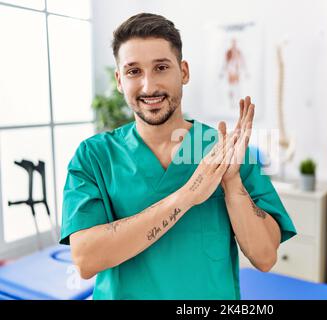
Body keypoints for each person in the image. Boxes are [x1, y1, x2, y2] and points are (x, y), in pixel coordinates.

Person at [60, 13, 297, 300]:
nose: (149, 86)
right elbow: (86, 259)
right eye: (134, 71)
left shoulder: (226, 149)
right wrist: (187, 195)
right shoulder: (94, 156)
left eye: (161, 67)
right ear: (120, 80)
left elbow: (264, 256)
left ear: (183, 72)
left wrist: (232, 184)